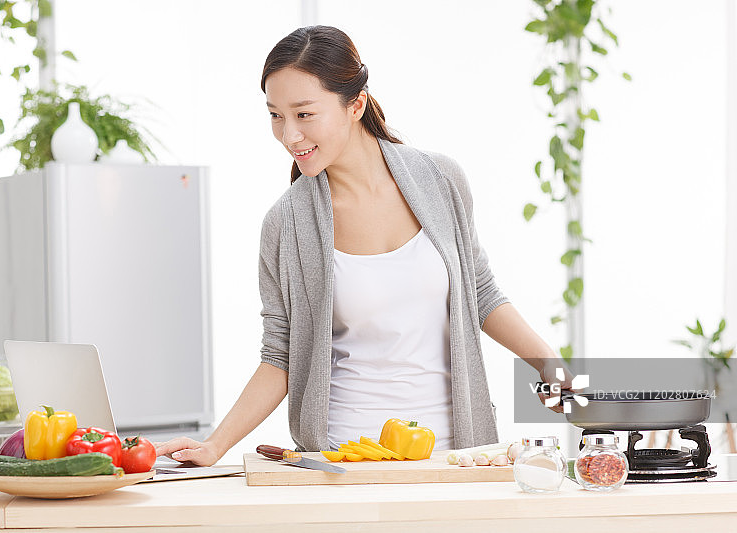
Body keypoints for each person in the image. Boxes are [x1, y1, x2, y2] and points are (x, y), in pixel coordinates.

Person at [156, 25, 568, 465]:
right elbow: (281, 353)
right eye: (275, 115)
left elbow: (480, 292)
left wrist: (548, 363)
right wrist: (216, 444)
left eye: (304, 114)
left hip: (458, 452)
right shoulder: (286, 223)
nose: (289, 135)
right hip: (343, 458)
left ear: (356, 104)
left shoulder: (441, 181)